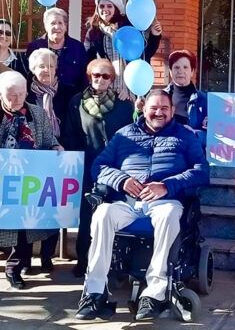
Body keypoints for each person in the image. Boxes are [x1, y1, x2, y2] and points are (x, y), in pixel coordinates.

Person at [75, 90, 209, 321]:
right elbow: (99, 166)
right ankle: (94, 292)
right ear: (144, 109)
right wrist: (122, 180)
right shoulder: (123, 135)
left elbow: (201, 171)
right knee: (102, 214)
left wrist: (167, 186)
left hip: (164, 201)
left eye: (164, 109)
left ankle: (154, 292)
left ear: (172, 111)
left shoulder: (185, 136)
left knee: (168, 215)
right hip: (127, 201)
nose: (159, 113)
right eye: (154, 108)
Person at [0, 70, 62, 301]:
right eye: (10, 95)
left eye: (21, 94)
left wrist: (55, 148)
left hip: (27, 182)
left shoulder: (37, 114)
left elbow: (50, 140)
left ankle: (14, 270)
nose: (16, 99)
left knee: (23, 231)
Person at [63, 59, 135, 277]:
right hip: (87, 167)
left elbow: (131, 135)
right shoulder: (77, 102)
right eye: (96, 75)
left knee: (114, 213)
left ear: (112, 79)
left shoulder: (124, 104)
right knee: (87, 216)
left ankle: (116, 261)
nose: (100, 79)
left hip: (116, 170)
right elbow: (70, 133)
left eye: (105, 76)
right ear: (89, 76)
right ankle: (83, 260)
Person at [26, 48, 72, 272]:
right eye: (41, 66)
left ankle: (47, 256)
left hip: (58, 156)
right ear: (33, 69)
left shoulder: (69, 93)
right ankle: (23, 260)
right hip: (30, 158)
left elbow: (73, 125)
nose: (47, 70)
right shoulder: (23, 93)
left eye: (51, 66)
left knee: (52, 209)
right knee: (26, 210)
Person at [84, 0, 162, 100]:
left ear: (116, 9)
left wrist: (155, 36)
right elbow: (89, 60)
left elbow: (145, 54)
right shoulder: (93, 32)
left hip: (132, 84)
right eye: (101, 6)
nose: (105, 9)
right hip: (105, 85)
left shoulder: (129, 28)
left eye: (109, 6)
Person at [27, 7, 87, 101]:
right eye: (53, 23)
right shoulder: (35, 47)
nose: (57, 27)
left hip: (70, 101)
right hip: (40, 99)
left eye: (60, 23)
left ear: (65, 26)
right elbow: (29, 75)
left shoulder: (77, 47)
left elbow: (84, 76)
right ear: (46, 26)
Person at [162, 50, 207, 141]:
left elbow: (213, 136)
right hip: (166, 151)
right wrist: (139, 112)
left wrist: (193, 134)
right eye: (176, 67)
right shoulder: (161, 97)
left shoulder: (204, 100)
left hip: (193, 152)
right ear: (170, 71)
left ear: (192, 72)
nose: (180, 71)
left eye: (185, 67)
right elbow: (147, 127)